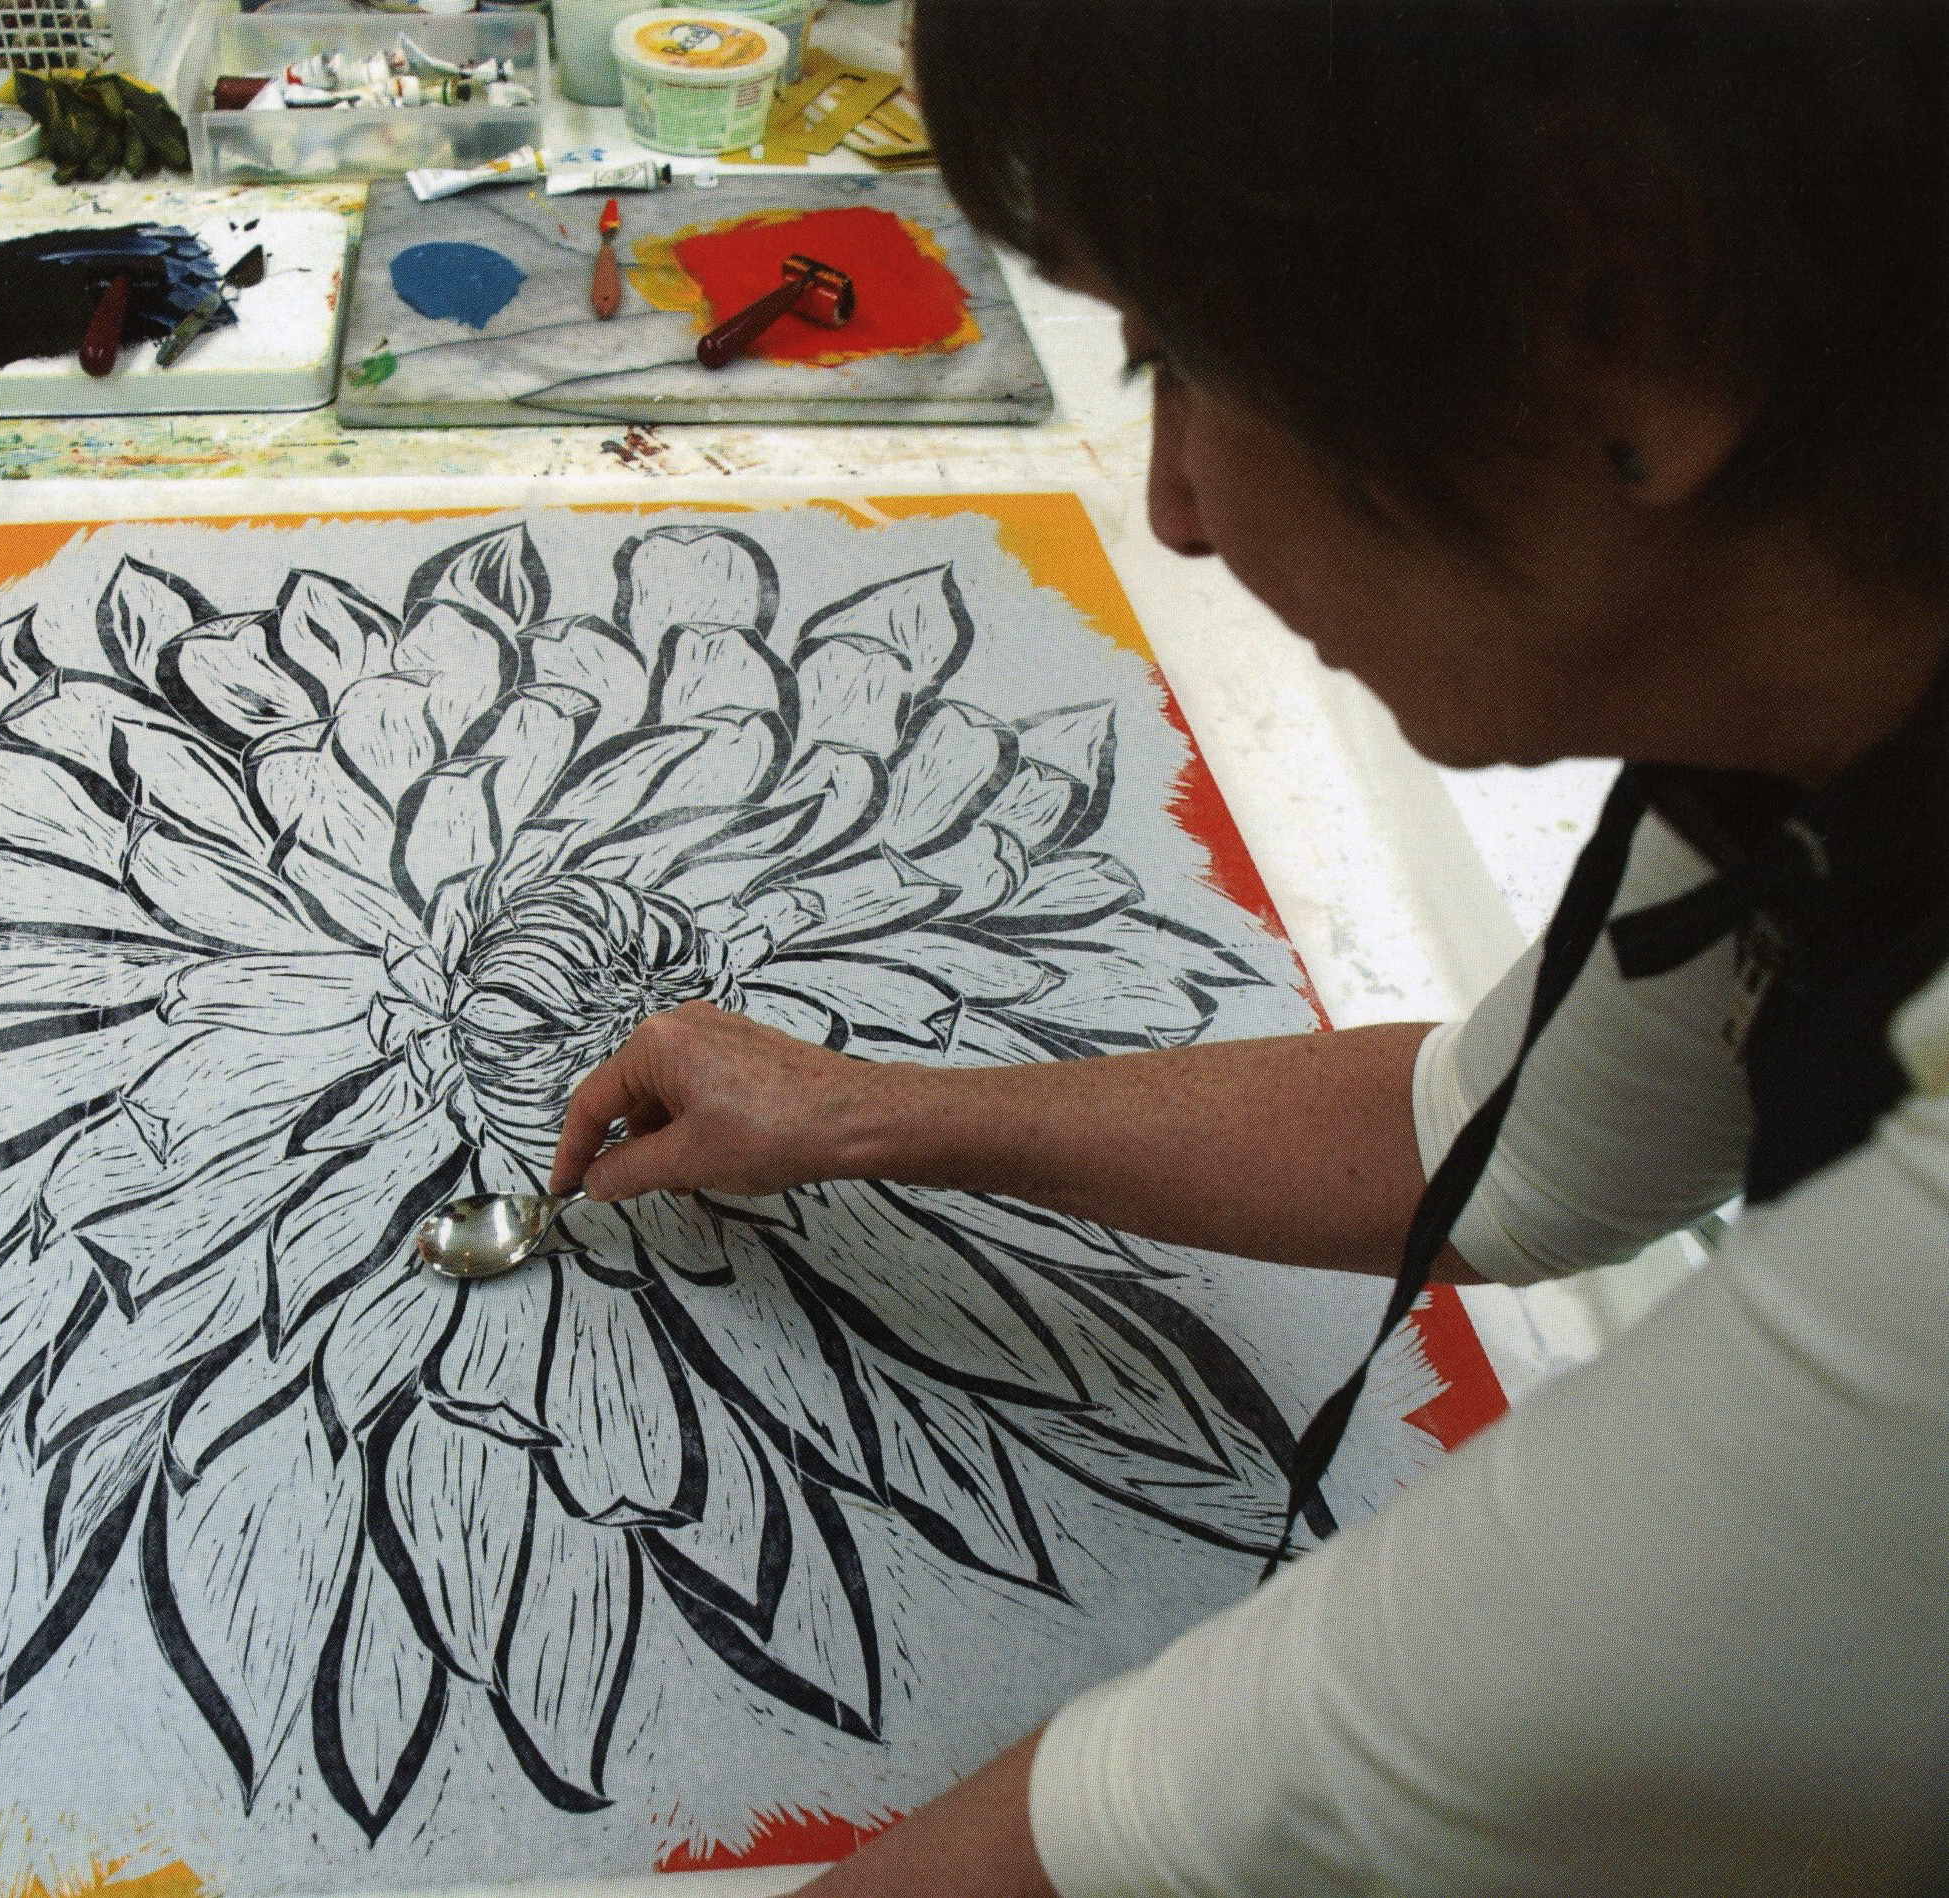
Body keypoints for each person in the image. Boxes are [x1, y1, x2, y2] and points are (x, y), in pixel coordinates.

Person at [545, 2, 1949, 1890]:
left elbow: (1254, 1798)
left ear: (1630, 326)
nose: (1177, 509)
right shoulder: (1809, 688)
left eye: (1181, 357)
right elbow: (1498, 1147)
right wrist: (860, 1112)